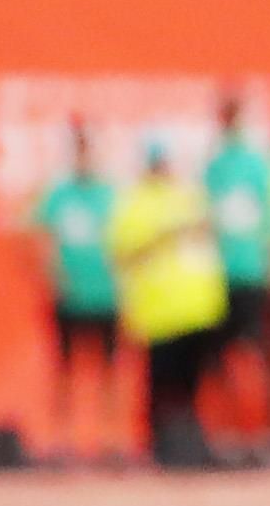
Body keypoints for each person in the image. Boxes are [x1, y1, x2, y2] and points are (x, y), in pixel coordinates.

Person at [107, 136, 231, 468]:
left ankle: (188, 441)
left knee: (192, 381)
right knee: (162, 381)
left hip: (198, 306)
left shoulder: (189, 197)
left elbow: (208, 244)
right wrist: (166, 238)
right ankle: (160, 443)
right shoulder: (135, 203)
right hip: (160, 309)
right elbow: (124, 253)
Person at [29, 124, 125, 466]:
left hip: (107, 295)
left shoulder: (111, 195)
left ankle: (112, 440)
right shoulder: (59, 195)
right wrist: (52, 276)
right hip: (71, 295)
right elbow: (41, 238)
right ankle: (62, 440)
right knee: (65, 370)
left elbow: (126, 243)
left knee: (110, 370)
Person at [202, 90, 270, 461]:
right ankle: (228, 434)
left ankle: (259, 431)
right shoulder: (214, 166)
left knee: (253, 352)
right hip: (218, 274)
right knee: (221, 357)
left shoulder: (256, 164)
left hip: (250, 272)